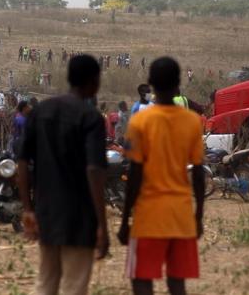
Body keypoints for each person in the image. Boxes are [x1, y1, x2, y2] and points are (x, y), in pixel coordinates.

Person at [17, 55, 108, 295]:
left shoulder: (41, 111)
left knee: (45, 282)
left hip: (46, 213)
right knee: (74, 285)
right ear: (93, 81)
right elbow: (94, 170)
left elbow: (23, 161)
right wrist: (102, 223)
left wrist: (28, 208)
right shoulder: (91, 118)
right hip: (80, 217)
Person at [118, 57, 205, 295]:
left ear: (151, 84)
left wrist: (125, 220)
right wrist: (198, 217)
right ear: (178, 82)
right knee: (177, 283)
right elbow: (198, 175)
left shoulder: (140, 121)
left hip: (148, 216)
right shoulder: (192, 122)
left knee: (141, 279)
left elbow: (134, 175)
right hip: (181, 215)